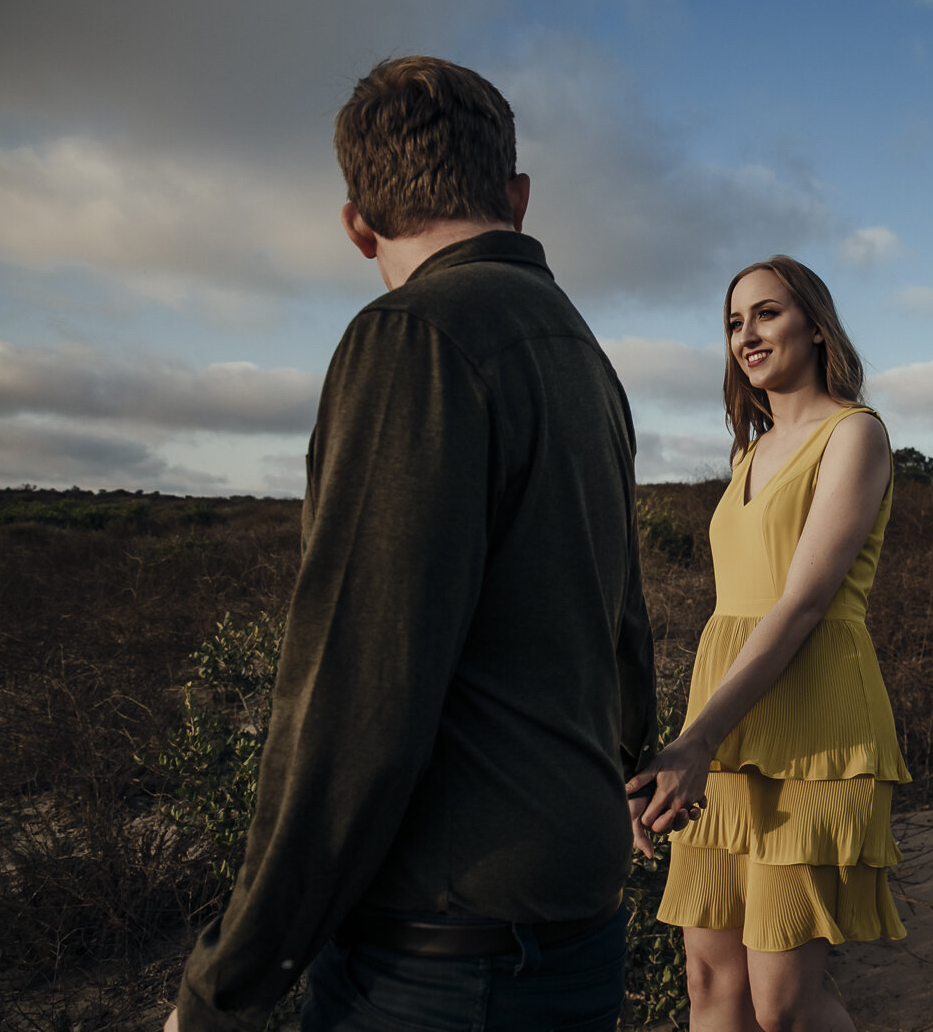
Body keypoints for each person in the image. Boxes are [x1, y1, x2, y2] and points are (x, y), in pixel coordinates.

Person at [166, 55, 660, 1032]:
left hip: (444, 955)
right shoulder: (582, 351)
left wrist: (228, 983)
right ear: (517, 196)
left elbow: (355, 690)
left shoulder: (413, 337)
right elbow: (625, 629)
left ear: (358, 225)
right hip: (572, 919)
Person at [626, 256, 910, 1031]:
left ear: (815, 325)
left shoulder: (854, 434)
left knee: (782, 1003)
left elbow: (804, 601)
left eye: (767, 313)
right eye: (733, 322)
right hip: (725, 725)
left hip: (815, 728)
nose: (746, 334)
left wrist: (698, 739)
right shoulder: (747, 453)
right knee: (709, 980)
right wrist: (694, 741)